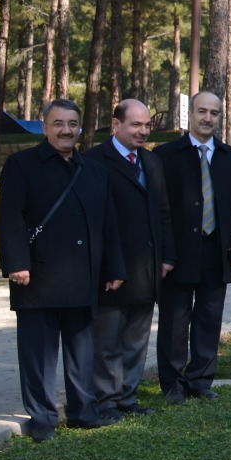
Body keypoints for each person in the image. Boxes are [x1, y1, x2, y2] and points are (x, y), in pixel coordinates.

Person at [0, 99, 126, 442]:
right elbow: (9, 218)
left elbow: (107, 223)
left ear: (79, 128)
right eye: (58, 124)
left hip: (83, 276)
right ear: (45, 126)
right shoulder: (21, 165)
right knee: (38, 355)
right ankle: (42, 419)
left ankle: (83, 413)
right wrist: (16, 263)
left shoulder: (94, 170)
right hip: (36, 275)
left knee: (82, 352)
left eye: (72, 124)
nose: (65, 130)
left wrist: (114, 267)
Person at [155, 92, 231, 404]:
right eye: (202, 112)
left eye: (213, 113)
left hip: (217, 251)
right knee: (174, 322)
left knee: (209, 319)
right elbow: (160, 210)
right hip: (178, 253)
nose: (207, 118)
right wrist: (164, 254)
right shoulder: (166, 155)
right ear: (190, 114)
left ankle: (201, 380)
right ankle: (172, 383)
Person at [89, 99, 175, 419]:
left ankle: (127, 397)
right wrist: (107, 264)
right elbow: (94, 219)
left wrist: (167, 257)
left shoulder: (152, 162)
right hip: (112, 268)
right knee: (108, 340)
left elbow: (164, 213)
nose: (142, 131)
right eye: (135, 125)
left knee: (137, 338)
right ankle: (106, 401)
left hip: (148, 268)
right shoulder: (95, 161)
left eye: (147, 125)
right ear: (116, 125)